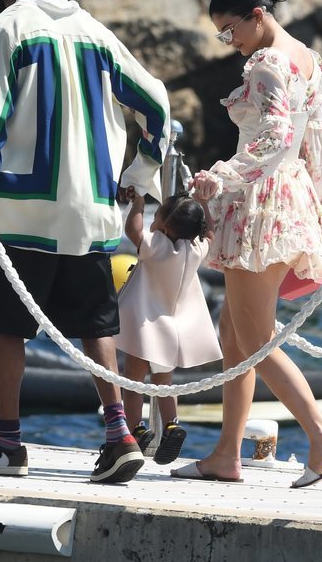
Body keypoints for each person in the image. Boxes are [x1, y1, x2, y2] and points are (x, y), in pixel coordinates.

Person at [0, 0, 170, 484]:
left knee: (7, 326)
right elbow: (157, 104)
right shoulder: (96, 32)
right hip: (92, 209)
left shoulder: (6, 28)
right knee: (96, 325)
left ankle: (8, 443)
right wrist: (139, 174)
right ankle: (119, 435)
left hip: (21, 209)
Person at [171, 0, 322, 488]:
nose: (229, 42)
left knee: (253, 338)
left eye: (230, 30)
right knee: (234, 334)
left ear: (257, 16)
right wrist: (315, 204)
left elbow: (275, 134)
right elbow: (317, 142)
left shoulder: (267, 62)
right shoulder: (309, 59)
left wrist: (222, 175)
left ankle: (321, 435)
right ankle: (227, 454)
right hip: (289, 196)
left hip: (261, 202)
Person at [116, 189, 222, 465]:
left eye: (156, 217)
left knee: (133, 381)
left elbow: (132, 230)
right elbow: (211, 234)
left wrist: (138, 202)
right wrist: (204, 203)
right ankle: (172, 424)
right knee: (164, 383)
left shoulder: (157, 246)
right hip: (173, 331)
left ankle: (136, 429)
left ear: (164, 227)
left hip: (146, 326)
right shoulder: (196, 250)